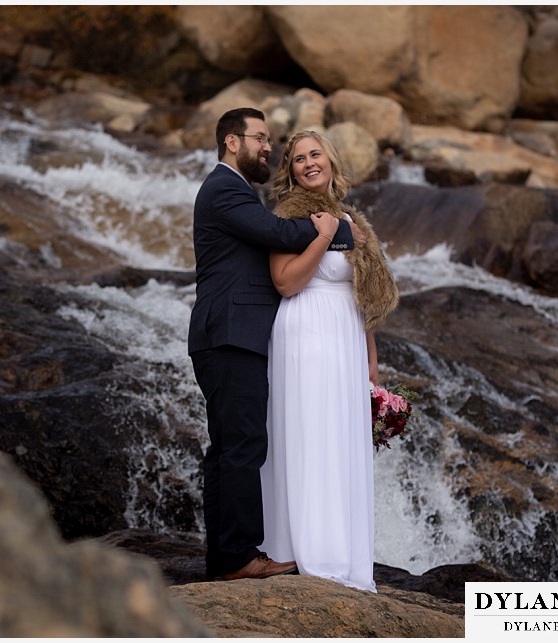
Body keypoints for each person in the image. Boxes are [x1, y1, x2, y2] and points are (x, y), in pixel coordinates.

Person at [188, 108, 366, 582]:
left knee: (231, 447)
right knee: (241, 445)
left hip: (232, 334)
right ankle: (239, 557)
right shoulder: (224, 187)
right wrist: (337, 230)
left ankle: (228, 556)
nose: (269, 147)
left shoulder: (234, 189)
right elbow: (276, 232)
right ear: (232, 141)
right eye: (261, 139)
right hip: (229, 333)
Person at [260, 130, 399, 591]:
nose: (307, 163)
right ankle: (313, 554)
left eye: (314, 154)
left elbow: (365, 296)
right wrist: (322, 239)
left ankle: (346, 555)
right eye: (298, 159)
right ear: (291, 171)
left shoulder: (353, 219)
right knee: (313, 433)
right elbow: (284, 282)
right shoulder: (289, 216)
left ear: (332, 161)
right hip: (306, 330)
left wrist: (371, 359)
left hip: (346, 337)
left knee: (341, 438)